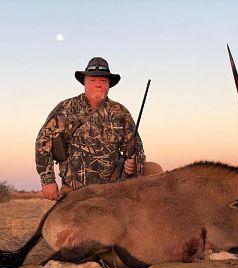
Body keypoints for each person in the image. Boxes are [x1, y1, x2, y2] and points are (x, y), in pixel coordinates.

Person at [35, 57, 162, 201]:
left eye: (103, 81)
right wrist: (48, 181)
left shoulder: (120, 112)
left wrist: (133, 164)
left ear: (109, 85)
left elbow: (136, 148)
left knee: (154, 170)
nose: (98, 85)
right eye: (93, 80)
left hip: (112, 186)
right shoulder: (65, 108)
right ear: (84, 83)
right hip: (75, 189)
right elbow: (43, 141)